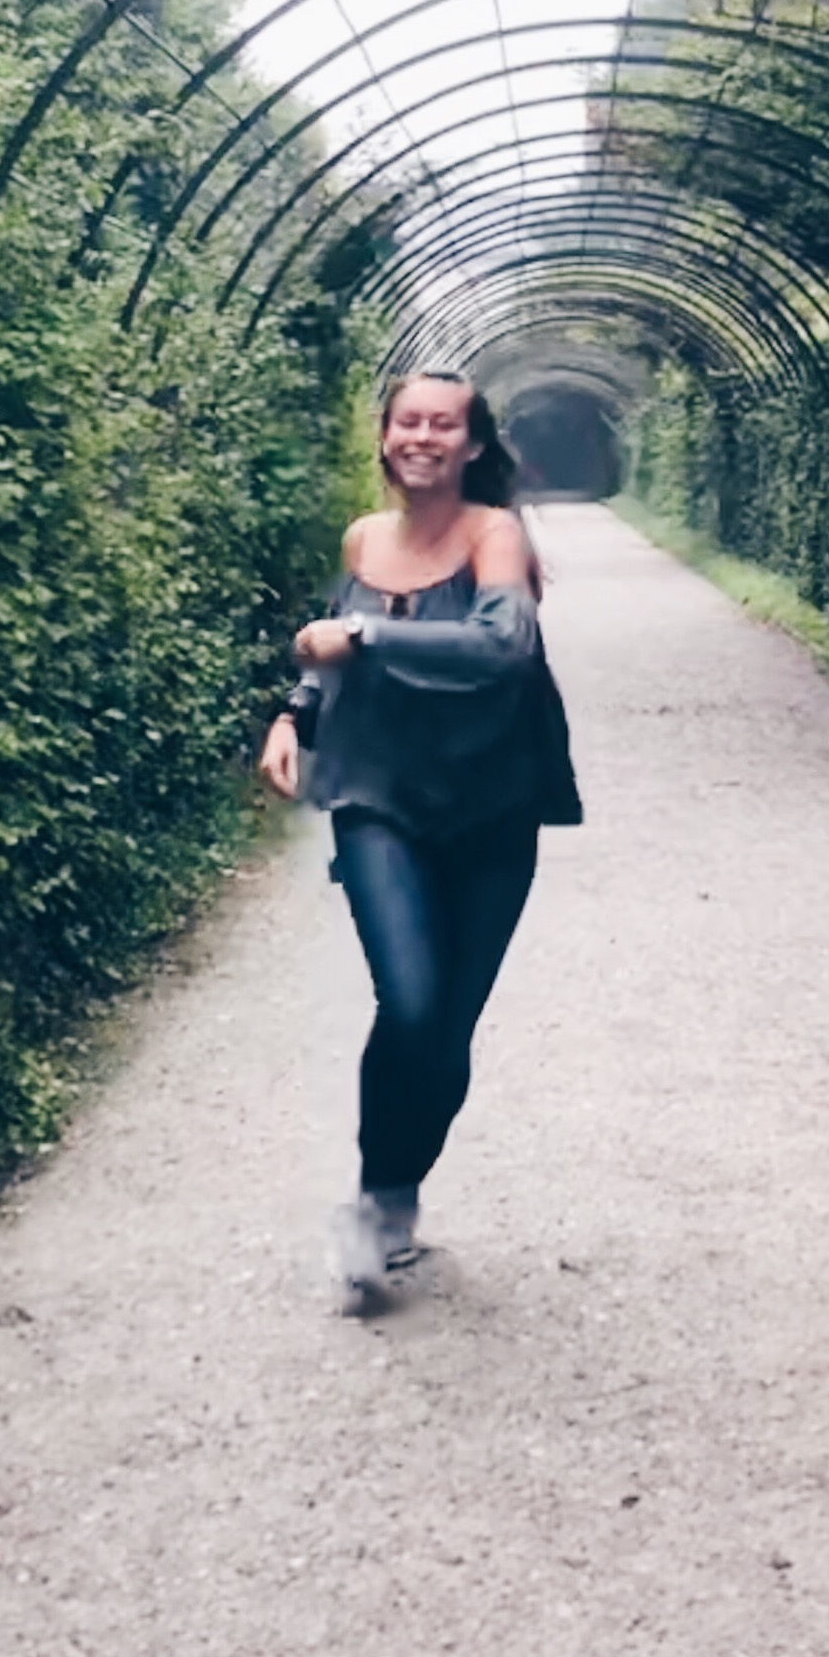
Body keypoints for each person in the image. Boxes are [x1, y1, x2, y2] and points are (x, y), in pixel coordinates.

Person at [258, 372, 581, 1304]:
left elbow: (502, 646)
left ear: (472, 445)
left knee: (444, 1032)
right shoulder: (365, 538)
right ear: (385, 436)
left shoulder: (494, 535)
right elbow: (329, 656)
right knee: (407, 1003)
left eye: (444, 424)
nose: (423, 436)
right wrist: (294, 714)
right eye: (408, 421)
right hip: (378, 794)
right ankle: (372, 1210)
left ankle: (396, 1197)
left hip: (491, 802)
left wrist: (361, 635)